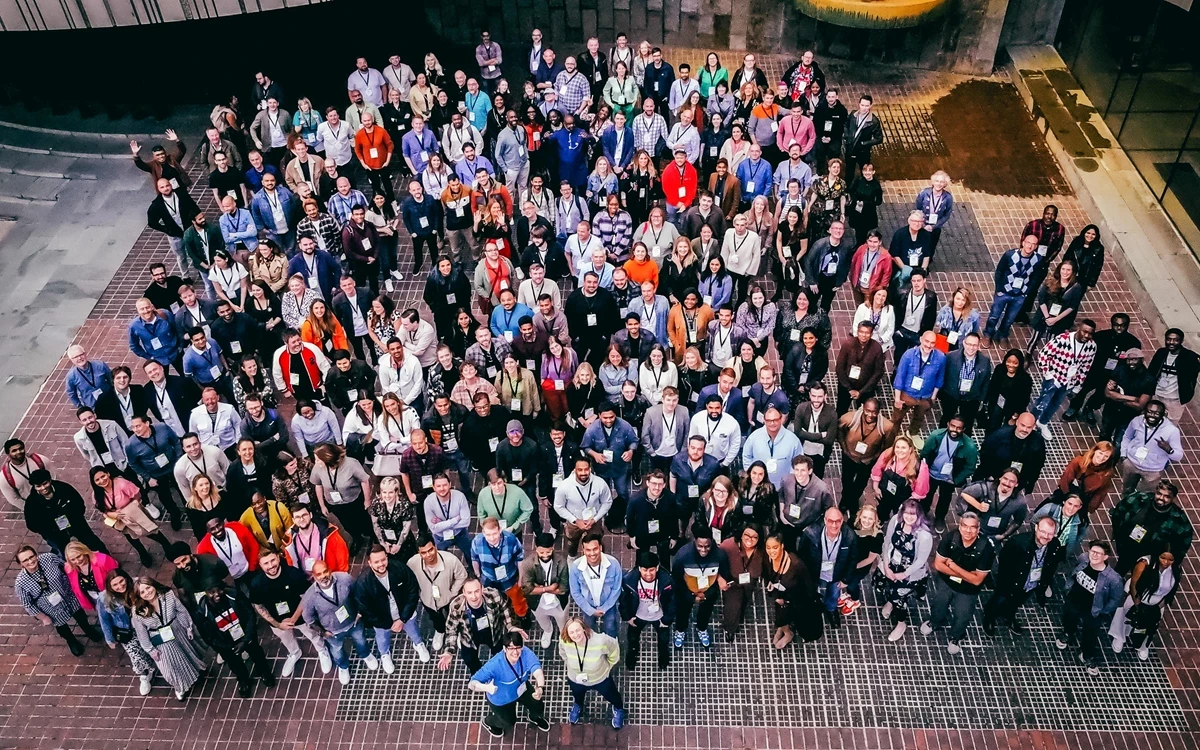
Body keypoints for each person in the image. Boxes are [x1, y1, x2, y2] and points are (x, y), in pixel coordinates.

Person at [981, 516, 1063, 636]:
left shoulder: (1055, 545)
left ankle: (1009, 616)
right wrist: (1004, 582)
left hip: (1031, 584)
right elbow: (1004, 561)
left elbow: (1052, 565)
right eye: (1043, 531)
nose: (1046, 536)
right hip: (1010, 583)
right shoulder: (1018, 542)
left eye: (1050, 534)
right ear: (1036, 528)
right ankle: (989, 617)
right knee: (998, 601)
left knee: (1016, 603)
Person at [15, 546, 101, 657]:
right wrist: (44, 618)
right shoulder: (21, 583)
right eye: (25, 560)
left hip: (68, 596)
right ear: (21, 564)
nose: (30, 561)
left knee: (80, 615)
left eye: (31, 557)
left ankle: (88, 629)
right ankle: (71, 641)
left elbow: (65, 567)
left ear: (36, 555)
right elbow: (28, 604)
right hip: (51, 608)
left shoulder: (49, 558)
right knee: (62, 627)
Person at [131, 576, 207, 701]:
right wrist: (150, 649)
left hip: (176, 629)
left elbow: (180, 610)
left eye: (148, 588)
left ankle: (196, 670)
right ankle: (179, 687)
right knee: (168, 668)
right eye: (142, 592)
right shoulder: (137, 611)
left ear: (153, 585)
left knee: (188, 653)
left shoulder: (168, 594)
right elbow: (141, 633)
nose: (147, 593)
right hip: (159, 637)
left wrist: (188, 626)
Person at [1055, 540, 1122, 675]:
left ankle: (1087, 654)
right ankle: (1068, 633)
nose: (1094, 555)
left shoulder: (1113, 579)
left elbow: (1115, 599)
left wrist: (1103, 610)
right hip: (1074, 600)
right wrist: (1068, 587)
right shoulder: (1083, 559)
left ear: (1105, 557)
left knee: (1090, 633)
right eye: (1092, 551)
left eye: (1099, 553)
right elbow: (1073, 573)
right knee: (1068, 619)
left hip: (1093, 610)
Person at [468, 631, 549, 737]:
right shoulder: (495, 665)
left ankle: (534, 717)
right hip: (501, 699)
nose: (515, 652)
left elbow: (537, 670)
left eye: (517, 647)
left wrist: (540, 687)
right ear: (505, 648)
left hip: (522, 688)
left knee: (538, 705)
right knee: (508, 722)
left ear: (522, 646)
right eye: (511, 648)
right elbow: (472, 683)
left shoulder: (526, 653)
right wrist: (486, 687)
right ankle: (489, 722)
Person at [1109, 547, 1181, 661]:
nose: (1166, 562)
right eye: (1163, 558)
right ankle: (1119, 637)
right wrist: (1137, 603)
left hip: (1157, 602)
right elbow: (1134, 584)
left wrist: (1161, 604)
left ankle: (1143, 645)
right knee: (1124, 614)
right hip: (1138, 597)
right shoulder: (1145, 564)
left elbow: (1172, 589)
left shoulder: (1175, 570)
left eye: (1170, 559)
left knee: (1151, 624)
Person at [876, 500, 934, 642]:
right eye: (907, 513)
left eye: (913, 514)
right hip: (891, 565)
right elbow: (887, 540)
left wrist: (903, 574)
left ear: (918, 515)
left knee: (899, 598)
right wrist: (886, 564)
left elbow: (920, 561)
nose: (909, 517)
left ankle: (901, 623)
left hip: (909, 573)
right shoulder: (896, 520)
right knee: (882, 584)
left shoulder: (924, 536)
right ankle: (889, 602)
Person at [1110, 480, 1193, 575]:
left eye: (1167, 496)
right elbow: (1119, 512)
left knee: (1140, 577)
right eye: (1159, 494)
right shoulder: (1139, 499)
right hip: (1127, 546)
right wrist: (1118, 535)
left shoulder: (1179, 520)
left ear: (1173, 498)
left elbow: (1182, 545)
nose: (1161, 498)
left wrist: (1169, 562)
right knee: (1121, 568)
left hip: (1149, 555)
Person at [1031, 320, 1096, 439]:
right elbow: (1044, 355)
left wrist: (1077, 386)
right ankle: (1031, 422)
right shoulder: (1062, 339)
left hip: (1069, 382)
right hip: (1054, 378)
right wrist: (1048, 374)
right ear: (1078, 328)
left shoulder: (1091, 346)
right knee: (1042, 402)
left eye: (1090, 333)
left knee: (1056, 403)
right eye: (1084, 332)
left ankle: (1043, 422)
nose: (1086, 336)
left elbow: (1085, 367)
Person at [24, 469, 109, 556]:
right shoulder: (32, 503)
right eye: (39, 486)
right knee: (67, 553)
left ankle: (108, 561)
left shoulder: (64, 488)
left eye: (45, 483)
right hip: (55, 533)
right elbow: (32, 524)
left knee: (93, 543)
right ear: (34, 487)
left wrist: (75, 518)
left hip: (76, 523)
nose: (43, 488)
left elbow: (79, 503)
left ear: (50, 480)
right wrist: (49, 529)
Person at [799, 507, 857, 628]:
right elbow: (802, 553)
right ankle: (811, 608)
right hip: (814, 571)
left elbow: (853, 559)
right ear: (825, 520)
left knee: (833, 595)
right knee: (810, 592)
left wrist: (846, 579)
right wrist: (804, 575)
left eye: (838, 521)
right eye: (831, 521)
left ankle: (831, 610)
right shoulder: (811, 533)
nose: (834, 525)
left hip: (836, 574)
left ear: (842, 521)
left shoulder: (850, 537)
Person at [919, 418, 978, 533]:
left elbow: (970, 467)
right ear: (948, 424)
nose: (955, 430)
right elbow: (924, 454)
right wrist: (923, 471)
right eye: (952, 426)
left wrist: (956, 480)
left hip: (949, 479)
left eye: (959, 427)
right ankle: (922, 513)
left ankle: (940, 518)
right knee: (926, 495)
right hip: (931, 474)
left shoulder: (969, 447)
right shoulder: (936, 436)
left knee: (945, 499)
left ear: (964, 429)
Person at [983, 234, 1042, 348]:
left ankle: (1003, 335)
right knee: (994, 315)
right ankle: (988, 334)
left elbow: (1036, 277)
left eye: (1033, 244)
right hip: (1004, 291)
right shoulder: (1010, 255)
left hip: (1020, 294)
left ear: (1036, 246)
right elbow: (999, 271)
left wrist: (1026, 292)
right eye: (1028, 242)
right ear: (1023, 242)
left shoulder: (1038, 259)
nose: (1030, 246)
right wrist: (999, 289)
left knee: (1010, 318)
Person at [1119, 401, 1183, 496]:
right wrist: (1124, 455)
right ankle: (1124, 507)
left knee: (1145, 496)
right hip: (1131, 464)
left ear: (1163, 414)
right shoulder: (1136, 421)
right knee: (1126, 490)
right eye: (1149, 412)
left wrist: (1168, 449)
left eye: (1157, 413)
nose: (1152, 416)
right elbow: (1127, 437)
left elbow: (1178, 456)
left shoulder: (1172, 431)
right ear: (1144, 411)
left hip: (1153, 470)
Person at [976, 413, 1045, 494]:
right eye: (1022, 425)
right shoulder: (999, 435)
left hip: (1018, 480)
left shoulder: (1037, 441)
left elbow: (1038, 464)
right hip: (997, 475)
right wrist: (989, 474)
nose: (1025, 430)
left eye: (1029, 427)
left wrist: (1030, 483)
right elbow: (985, 453)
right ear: (1017, 422)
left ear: (1034, 427)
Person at [892, 330, 945, 432]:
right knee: (896, 419)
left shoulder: (940, 357)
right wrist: (897, 398)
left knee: (919, 419)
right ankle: (890, 438)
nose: (929, 345)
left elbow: (940, 378)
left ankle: (912, 434)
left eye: (932, 343)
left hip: (925, 396)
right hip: (907, 394)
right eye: (927, 341)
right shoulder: (908, 355)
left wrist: (933, 397)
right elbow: (900, 376)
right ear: (921, 339)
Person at [938, 334, 991, 433]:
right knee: (946, 418)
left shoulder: (985, 361)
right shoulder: (951, 357)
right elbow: (943, 374)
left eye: (974, 345)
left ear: (978, 345)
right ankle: (940, 437)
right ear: (964, 343)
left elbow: (986, 381)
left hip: (971, 398)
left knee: (968, 422)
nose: (971, 348)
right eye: (969, 344)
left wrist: (981, 399)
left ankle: (964, 443)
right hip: (951, 395)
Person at [1148, 327, 1200, 423]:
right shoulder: (1161, 353)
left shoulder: (1189, 357)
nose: (1171, 342)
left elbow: (1193, 374)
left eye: (1176, 340)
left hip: (1175, 399)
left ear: (1181, 341)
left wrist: (1188, 391)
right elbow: (1151, 371)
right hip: (1158, 394)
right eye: (1169, 339)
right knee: (1152, 418)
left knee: (1171, 422)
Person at [1, 438, 50, 510]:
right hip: (34, 507)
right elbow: (14, 499)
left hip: (51, 499)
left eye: (20, 448)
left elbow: (54, 478)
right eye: (14, 451)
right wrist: (30, 508)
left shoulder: (41, 460)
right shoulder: (4, 478)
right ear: (8, 454)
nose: (18, 452)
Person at [843, 94, 883, 176]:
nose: (864, 108)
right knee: (849, 170)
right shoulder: (853, 114)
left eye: (867, 106)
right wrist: (846, 136)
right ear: (859, 104)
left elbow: (879, 138)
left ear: (870, 106)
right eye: (862, 105)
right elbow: (846, 124)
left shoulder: (874, 121)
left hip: (863, 151)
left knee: (864, 171)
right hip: (851, 148)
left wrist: (864, 144)